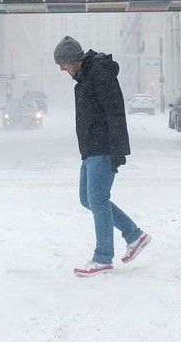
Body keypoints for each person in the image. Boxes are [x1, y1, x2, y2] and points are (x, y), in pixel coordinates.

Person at [54, 36, 151, 277]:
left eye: (63, 64)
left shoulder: (98, 72)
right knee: (88, 200)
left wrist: (117, 150)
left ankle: (103, 258)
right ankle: (134, 235)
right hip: (91, 150)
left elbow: (115, 110)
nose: (61, 69)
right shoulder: (85, 77)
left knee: (97, 199)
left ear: (73, 60)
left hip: (103, 148)